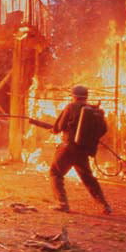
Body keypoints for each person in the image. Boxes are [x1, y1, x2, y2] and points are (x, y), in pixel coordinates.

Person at [49, 85, 112, 214]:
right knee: (88, 178)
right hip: (83, 149)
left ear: (74, 96)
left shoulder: (71, 107)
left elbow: (58, 127)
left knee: (55, 173)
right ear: (86, 96)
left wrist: (53, 130)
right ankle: (104, 205)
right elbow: (104, 129)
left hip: (68, 148)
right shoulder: (95, 111)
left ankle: (62, 204)